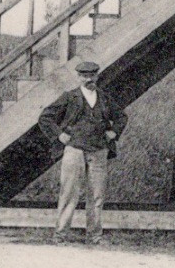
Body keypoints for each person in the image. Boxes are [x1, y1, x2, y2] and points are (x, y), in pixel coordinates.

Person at [38, 60, 126, 245]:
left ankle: (95, 236)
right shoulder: (69, 97)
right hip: (74, 150)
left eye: (92, 75)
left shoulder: (104, 98)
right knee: (69, 192)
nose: (89, 79)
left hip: (99, 151)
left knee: (97, 195)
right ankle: (60, 235)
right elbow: (45, 117)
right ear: (78, 77)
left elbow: (121, 116)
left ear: (97, 76)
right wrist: (59, 135)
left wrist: (114, 132)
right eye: (85, 76)